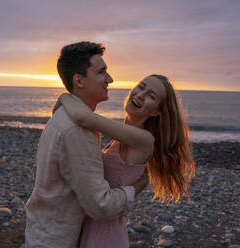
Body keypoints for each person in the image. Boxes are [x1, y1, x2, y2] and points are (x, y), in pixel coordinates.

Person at [24, 41, 148, 248]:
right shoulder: (77, 130)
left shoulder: (67, 114)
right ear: (79, 81)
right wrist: (138, 186)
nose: (110, 79)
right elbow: (100, 206)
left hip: (44, 233)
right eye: (101, 72)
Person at [57, 74, 195, 247]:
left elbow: (84, 118)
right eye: (141, 86)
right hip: (93, 222)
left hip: (104, 233)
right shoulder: (121, 137)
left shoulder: (144, 140)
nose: (140, 94)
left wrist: (63, 97)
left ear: (156, 111)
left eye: (151, 96)